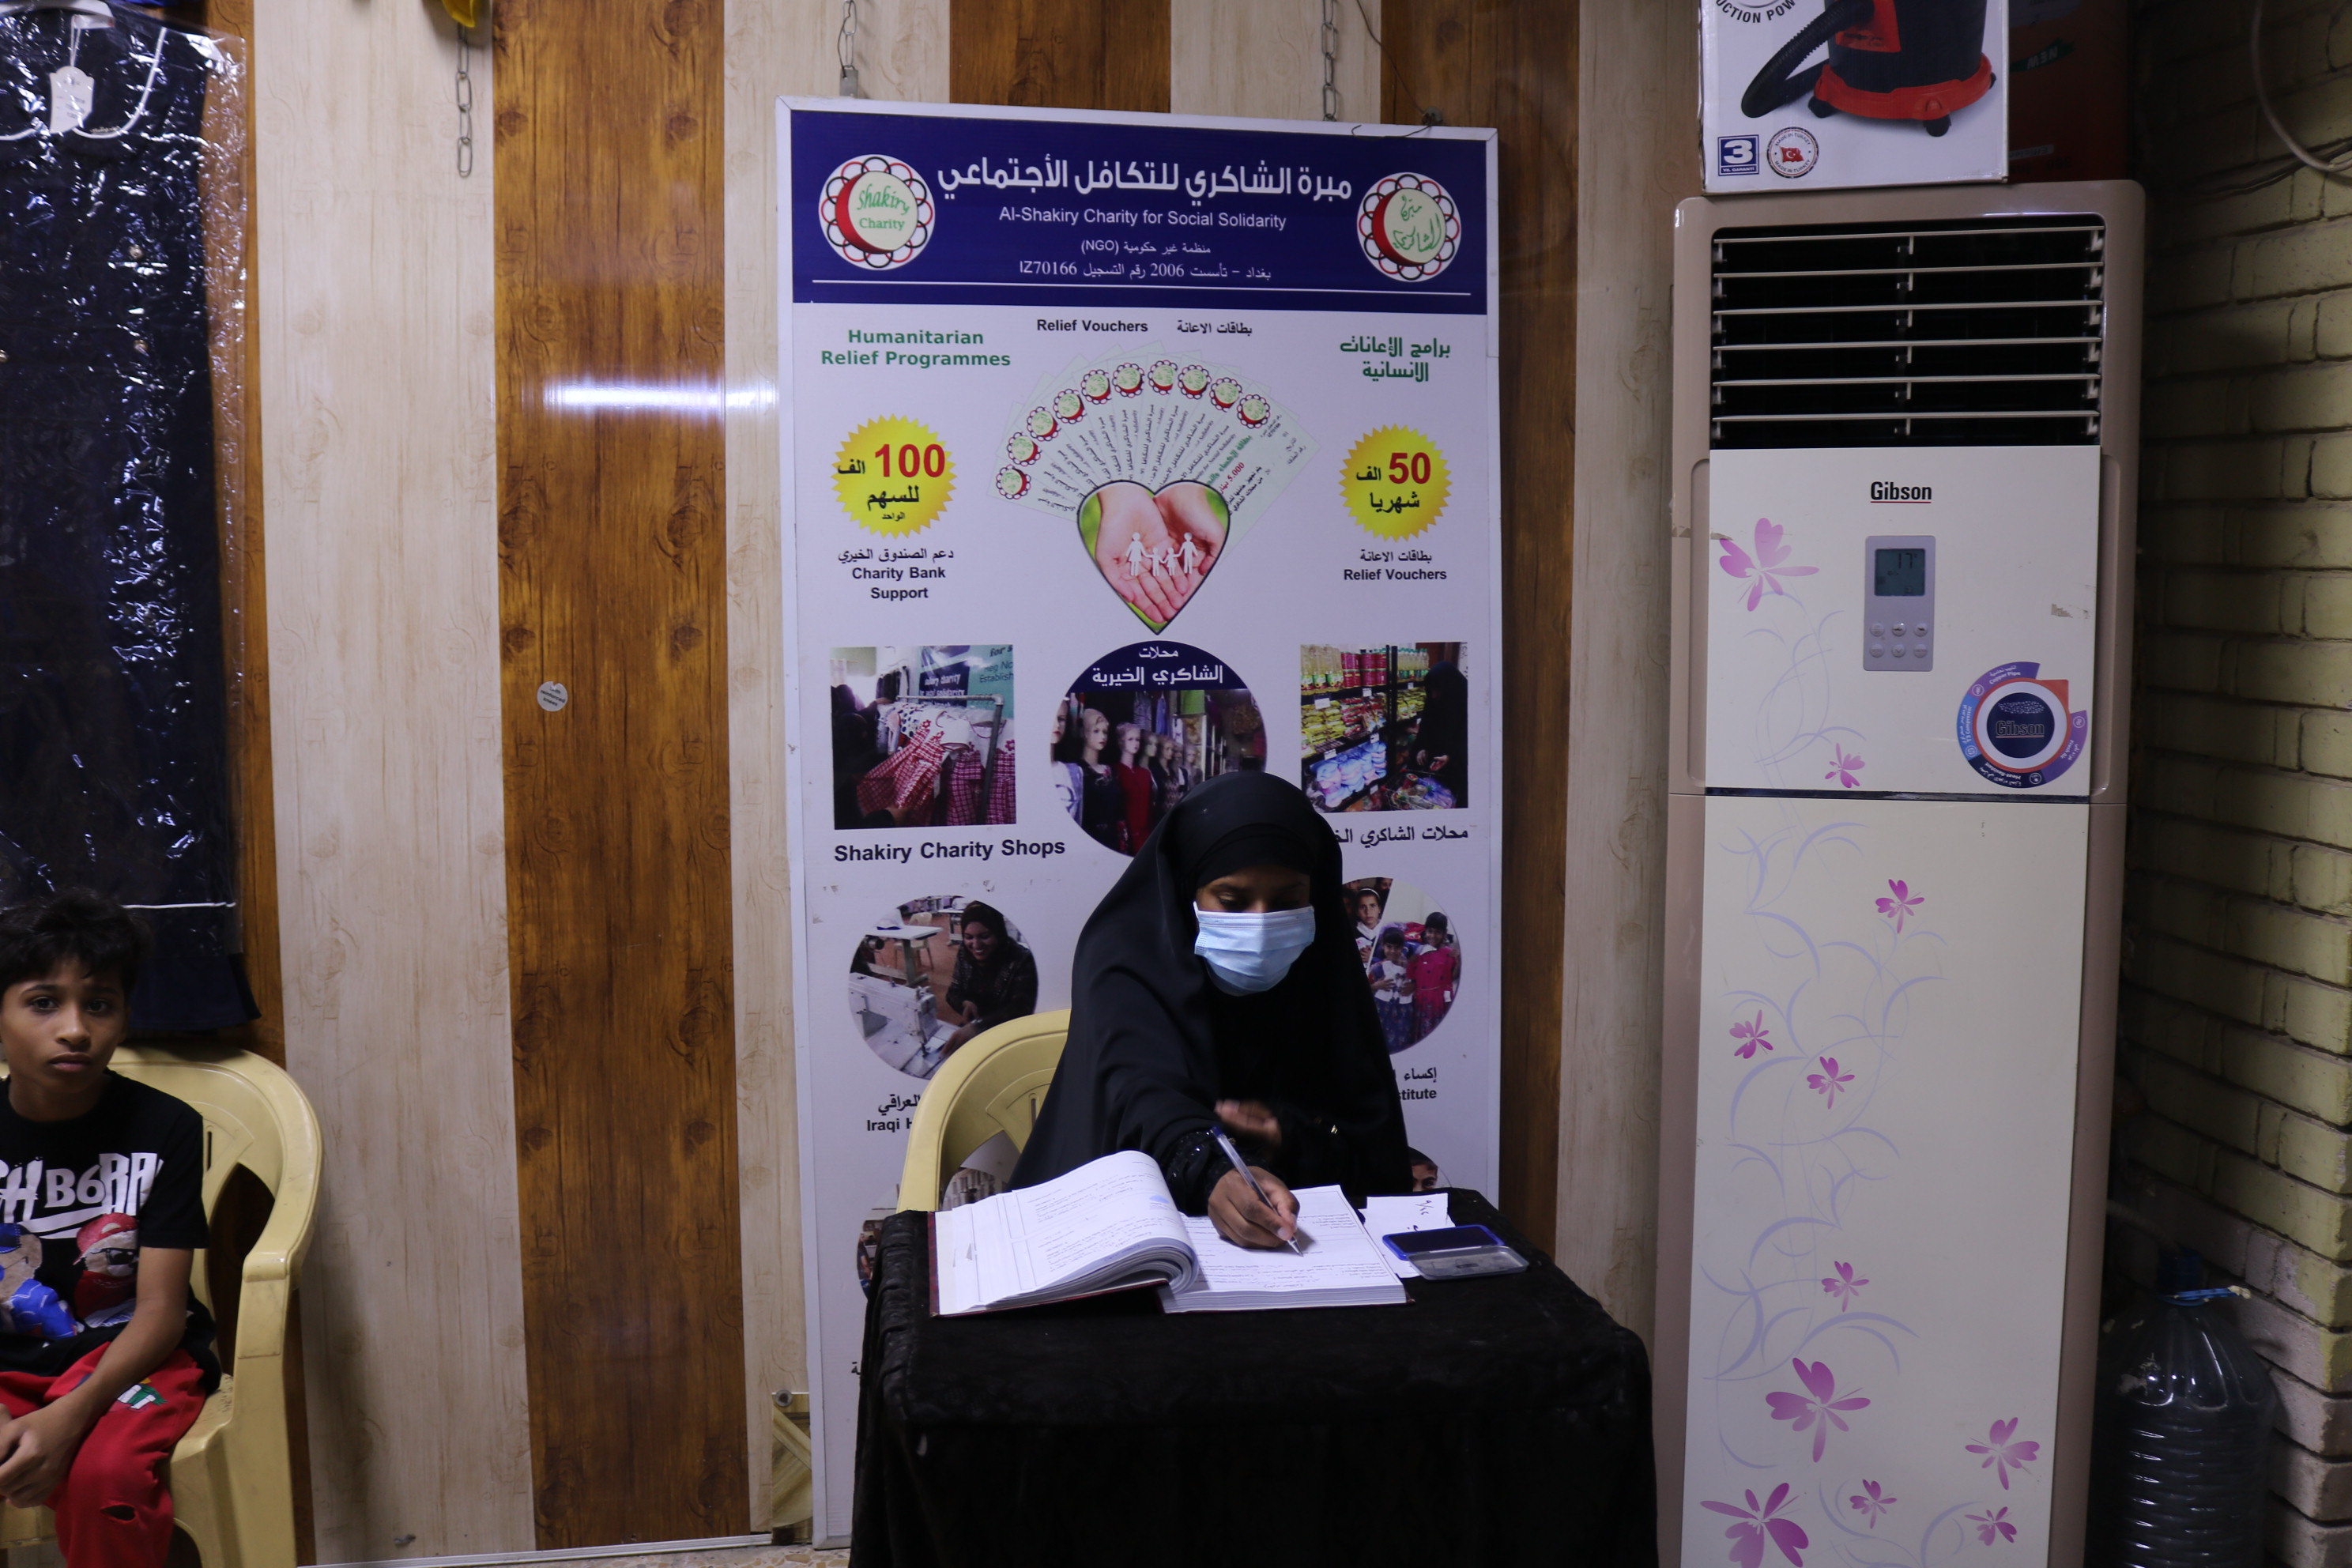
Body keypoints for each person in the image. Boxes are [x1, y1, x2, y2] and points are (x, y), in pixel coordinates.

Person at [1011, 772, 1412, 1248]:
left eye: (1288, 901)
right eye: (1232, 901)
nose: (1261, 924)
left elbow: (1368, 1145)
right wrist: (1209, 1165)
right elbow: (1141, 1093)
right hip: (1122, 1239)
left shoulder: (1323, 969)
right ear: (1188, 889)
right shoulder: (1124, 957)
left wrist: (1292, 1137)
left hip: (1296, 1247)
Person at [0, 891, 216, 1568]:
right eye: (43, 1002)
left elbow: (161, 1311)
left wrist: (75, 1414)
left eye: (99, 1004)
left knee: (108, 1477)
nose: (74, 1029)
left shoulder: (166, 1126)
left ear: (123, 1018)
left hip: (131, 1361)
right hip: (8, 1364)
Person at [940, 903, 1038, 1054]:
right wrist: (964, 1003)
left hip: (1009, 1038)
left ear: (998, 933)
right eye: (968, 937)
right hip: (975, 1031)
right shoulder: (965, 953)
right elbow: (953, 992)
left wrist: (978, 1026)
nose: (976, 945)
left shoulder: (1021, 959)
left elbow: (1021, 1007)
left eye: (984, 936)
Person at [1412, 660, 1469, 806]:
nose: (1434, 695)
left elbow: (1469, 741)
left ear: (1450, 688)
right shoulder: (1433, 702)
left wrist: (1451, 758)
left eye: (1438, 690)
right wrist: (1422, 748)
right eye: (1431, 690)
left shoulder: (1468, 704)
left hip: (1456, 769)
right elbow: (1425, 729)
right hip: (1433, 765)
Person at [1408, 910, 1460, 1043]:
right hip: (1421, 1000)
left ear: (1444, 933)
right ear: (1425, 931)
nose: (1433, 936)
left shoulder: (1449, 953)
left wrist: (1458, 961)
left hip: (1439, 1001)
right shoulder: (1419, 952)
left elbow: (1451, 977)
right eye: (1430, 931)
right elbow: (1413, 975)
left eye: (1438, 932)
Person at [1366, 926, 1415, 1054]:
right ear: (1383, 946)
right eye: (1389, 947)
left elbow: (1421, 982)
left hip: (1403, 1012)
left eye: (1397, 947)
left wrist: (1414, 986)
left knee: (1401, 1046)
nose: (1393, 951)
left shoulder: (1411, 968)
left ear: (1403, 947)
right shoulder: (1377, 968)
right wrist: (1375, 986)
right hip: (1382, 1010)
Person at [1113, 722, 1155, 850]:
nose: (1135, 743)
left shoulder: (1145, 774)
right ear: (1121, 742)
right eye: (1130, 739)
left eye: (1137, 739)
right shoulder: (1115, 772)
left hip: (1145, 837)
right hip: (1124, 838)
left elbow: (1150, 807)